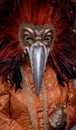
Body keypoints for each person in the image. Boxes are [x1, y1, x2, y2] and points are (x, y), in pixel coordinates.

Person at [0, 0, 76, 130]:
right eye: (29, 38)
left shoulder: (60, 71)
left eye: (46, 39)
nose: (38, 47)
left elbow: (73, 105)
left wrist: (65, 118)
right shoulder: (7, 76)